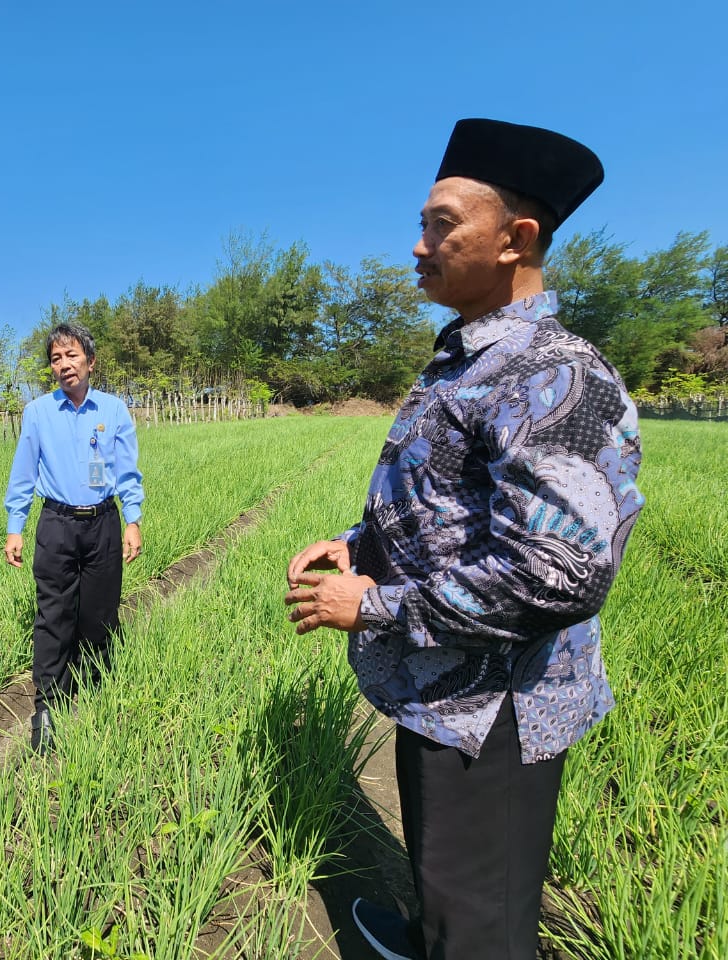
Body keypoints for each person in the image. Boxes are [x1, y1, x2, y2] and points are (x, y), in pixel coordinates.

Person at [284, 120, 644, 960]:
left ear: (516, 240)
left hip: (497, 710)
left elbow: (560, 572)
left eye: (443, 224)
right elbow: (451, 506)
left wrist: (372, 603)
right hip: (447, 688)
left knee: (484, 924)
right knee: (450, 886)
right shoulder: (469, 359)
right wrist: (356, 544)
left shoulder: (550, 373)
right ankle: (427, 935)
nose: (419, 245)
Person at [3, 322, 144, 753]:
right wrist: (16, 525)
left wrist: (132, 519)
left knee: (100, 614)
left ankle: (96, 690)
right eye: (56, 359)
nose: (64, 365)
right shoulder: (38, 413)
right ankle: (47, 706)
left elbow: (126, 471)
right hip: (56, 524)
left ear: (90, 361)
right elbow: (24, 473)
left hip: (102, 522)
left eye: (72, 356)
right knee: (53, 616)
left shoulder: (114, 410)